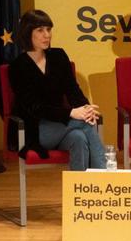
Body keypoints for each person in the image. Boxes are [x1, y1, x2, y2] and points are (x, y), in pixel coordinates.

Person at [8, 9, 105, 170]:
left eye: (49, 29)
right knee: (86, 124)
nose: (47, 35)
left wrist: (86, 108)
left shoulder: (58, 56)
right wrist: (71, 113)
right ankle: (105, 176)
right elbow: (34, 108)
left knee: (79, 138)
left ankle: (79, 190)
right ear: (27, 33)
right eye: (40, 30)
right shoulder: (18, 67)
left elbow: (73, 90)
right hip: (36, 130)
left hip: (62, 125)